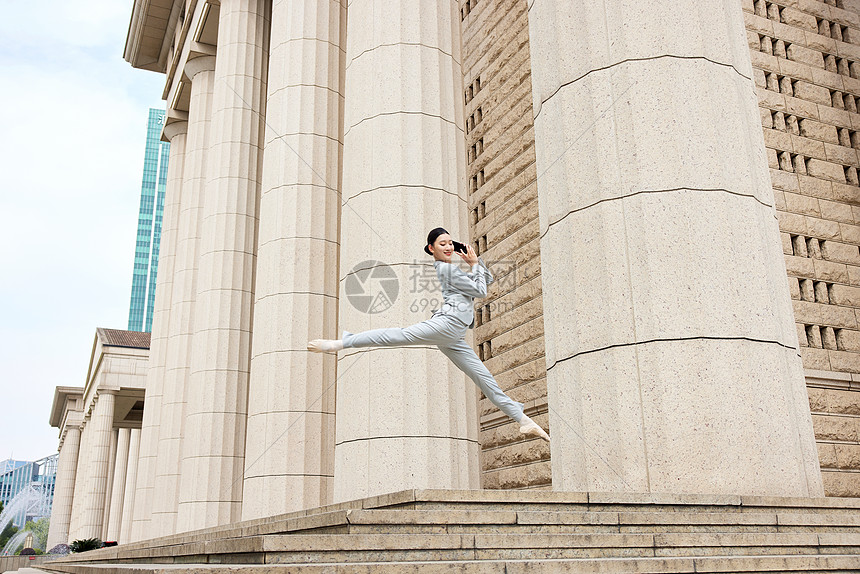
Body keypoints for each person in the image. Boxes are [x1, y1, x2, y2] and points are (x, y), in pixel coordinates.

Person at [307, 227, 550, 441]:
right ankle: (341, 343)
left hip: (454, 335)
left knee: (484, 378)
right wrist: (474, 266)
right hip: (447, 324)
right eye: (442, 244)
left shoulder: (454, 270)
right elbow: (481, 290)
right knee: (396, 336)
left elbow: (486, 280)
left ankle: (522, 419)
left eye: (450, 243)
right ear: (431, 248)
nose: (448, 246)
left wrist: (476, 262)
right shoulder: (446, 270)